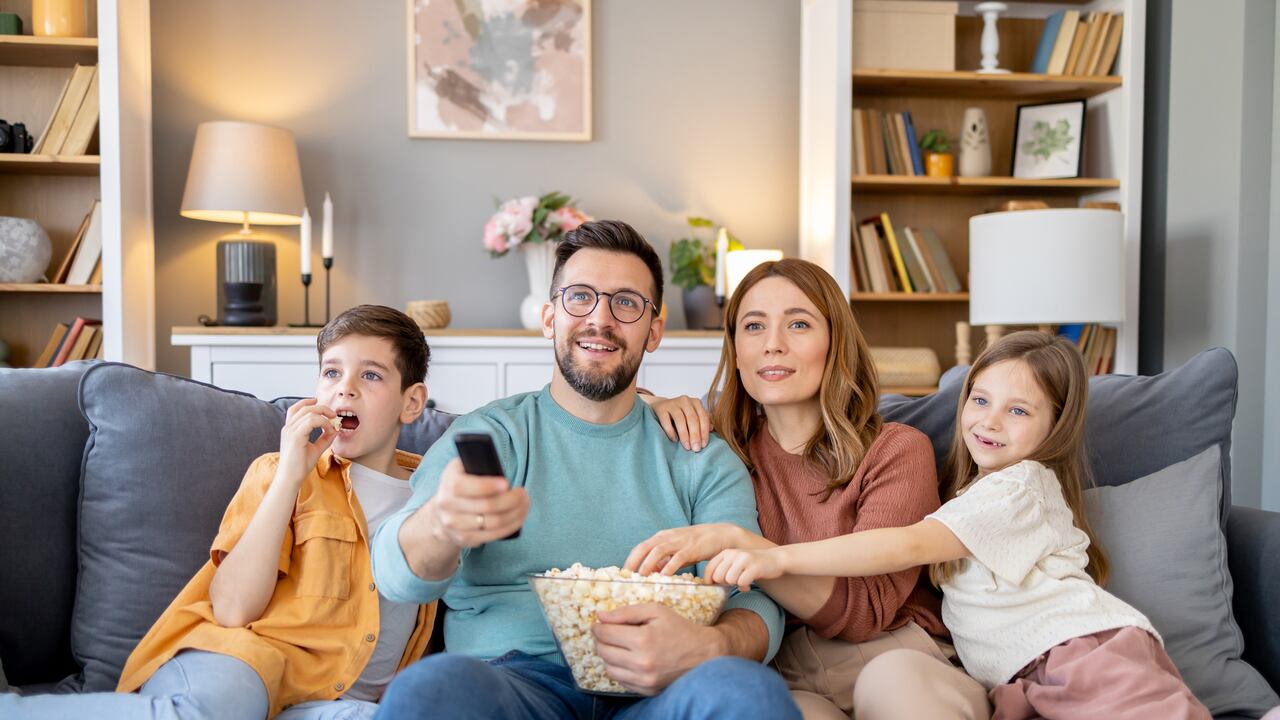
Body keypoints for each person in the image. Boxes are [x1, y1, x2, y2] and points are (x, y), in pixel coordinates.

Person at [370, 220, 799, 719]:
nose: (601, 319)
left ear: (654, 329)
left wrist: (711, 648)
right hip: (514, 684)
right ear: (550, 318)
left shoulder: (699, 453)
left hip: (660, 692)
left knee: (747, 694)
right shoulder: (492, 436)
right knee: (429, 690)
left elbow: (757, 597)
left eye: (626, 302)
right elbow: (398, 577)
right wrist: (441, 524)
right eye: (580, 298)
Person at [701, 331, 1211, 720]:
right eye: (980, 400)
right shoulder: (971, 493)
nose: (989, 422)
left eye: (1018, 410)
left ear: (1054, 427)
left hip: (1082, 653)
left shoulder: (1020, 488)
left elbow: (906, 545)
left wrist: (777, 557)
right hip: (1016, 679)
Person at [1, 305, 438, 719]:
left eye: (371, 375)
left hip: (328, 702)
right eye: (331, 372)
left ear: (412, 403)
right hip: (241, 662)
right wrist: (290, 475)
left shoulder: (435, 495)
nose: (345, 387)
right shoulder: (280, 473)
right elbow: (232, 609)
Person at [632, 258, 989, 720]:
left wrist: (748, 548)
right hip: (787, 668)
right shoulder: (721, 446)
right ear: (735, 348)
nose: (773, 346)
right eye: (754, 326)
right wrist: (657, 401)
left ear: (834, 341)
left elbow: (866, 611)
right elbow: (608, 407)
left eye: (798, 324)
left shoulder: (897, 450)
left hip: (896, 653)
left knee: (893, 683)